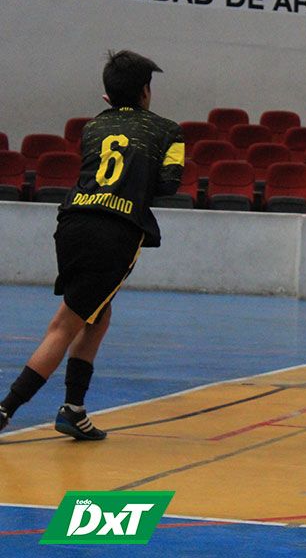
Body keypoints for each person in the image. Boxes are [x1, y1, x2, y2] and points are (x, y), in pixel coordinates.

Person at [0, 50, 184, 440]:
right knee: (66, 323)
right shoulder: (168, 131)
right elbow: (169, 184)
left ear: (107, 97)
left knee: (98, 314)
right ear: (146, 92)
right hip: (116, 230)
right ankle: (6, 409)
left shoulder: (92, 128)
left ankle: (74, 409)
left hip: (71, 222)